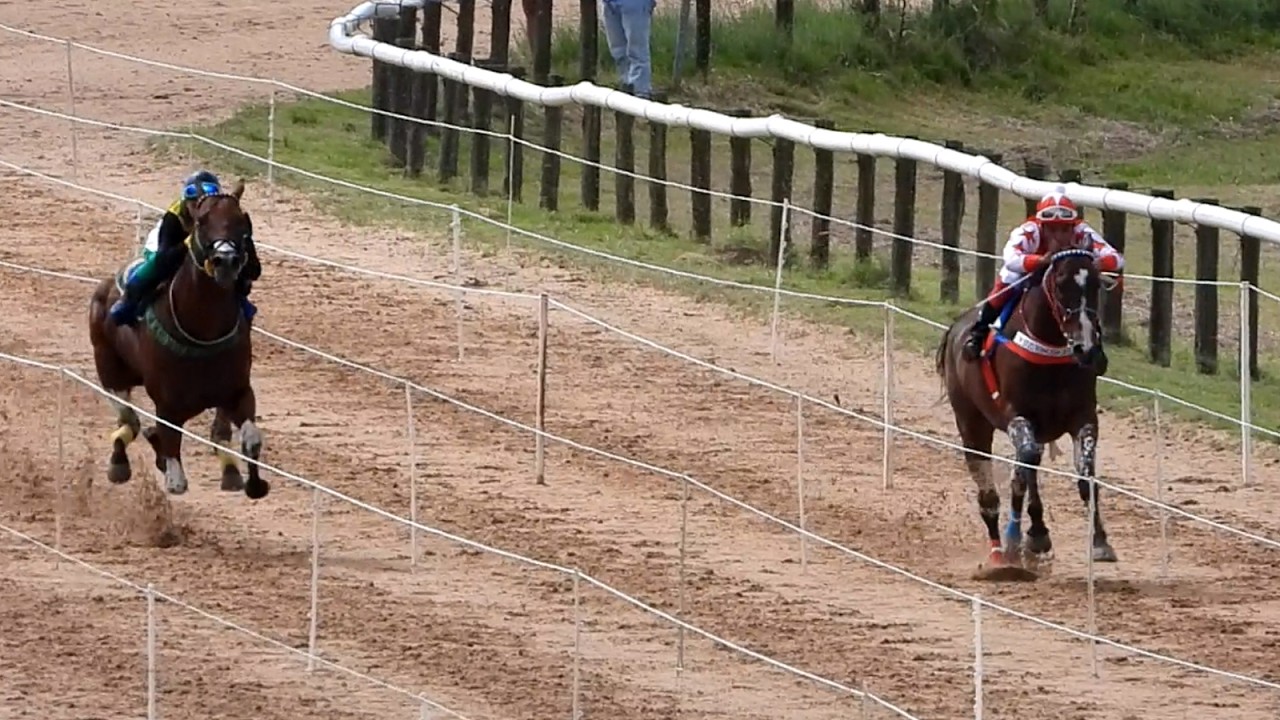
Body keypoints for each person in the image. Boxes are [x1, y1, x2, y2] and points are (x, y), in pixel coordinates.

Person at [962, 186, 1124, 362]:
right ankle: (979, 331)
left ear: (1073, 226)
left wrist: (1097, 263)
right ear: (1042, 226)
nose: (1059, 236)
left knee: (1082, 293)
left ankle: (1095, 343)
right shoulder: (1028, 231)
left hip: (1067, 275)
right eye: (1052, 230)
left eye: (1064, 230)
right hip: (1030, 271)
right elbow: (1010, 258)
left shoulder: (1083, 232)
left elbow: (1116, 258)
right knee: (1008, 280)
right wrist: (1039, 261)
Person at [109, 170, 261, 326]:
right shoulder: (174, 216)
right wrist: (189, 242)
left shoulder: (221, 215)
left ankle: (241, 301)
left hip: (204, 245)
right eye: (192, 202)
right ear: (185, 201)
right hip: (168, 244)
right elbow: (163, 258)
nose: (197, 207)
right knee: (159, 267)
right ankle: (129, 299)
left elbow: (253, 269)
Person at [601, 0, 655, 98]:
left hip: (635, 4)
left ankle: (640, 91)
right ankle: (627, 87)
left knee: (637, 51)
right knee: (618, 51)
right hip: (610, 4)